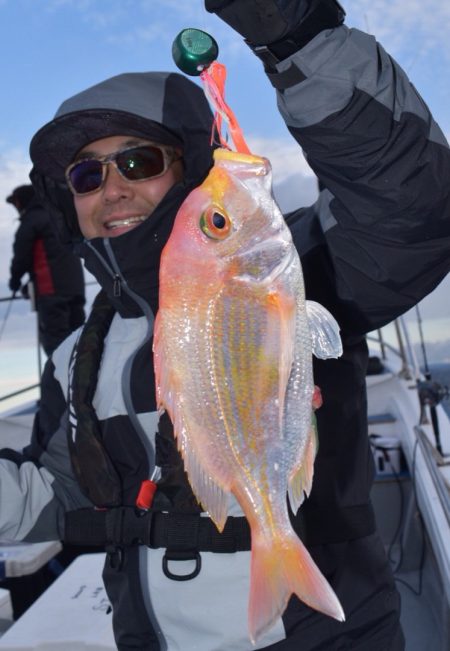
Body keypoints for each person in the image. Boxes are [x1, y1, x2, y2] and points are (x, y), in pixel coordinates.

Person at [1, 1, 450, 649]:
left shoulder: (290, 266)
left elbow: (409, 212)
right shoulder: (77, 352)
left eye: (138, 162)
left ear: (189, 165)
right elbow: (61, 489)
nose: (112, 188)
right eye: (86, 173)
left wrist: (305, 42)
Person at [7, 184, 86, 356]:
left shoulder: (32, 220)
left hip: (51, 292)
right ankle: (84, 381)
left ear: (21, 202)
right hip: (75, 288)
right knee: (80, 340)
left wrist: (15, 280)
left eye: (15, 203)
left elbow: (22, 254)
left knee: (57, 345)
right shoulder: (56, 216)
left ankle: (60, 382)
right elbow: (54, 256)